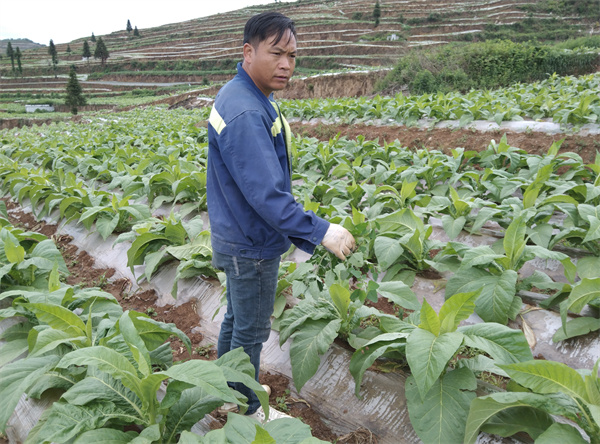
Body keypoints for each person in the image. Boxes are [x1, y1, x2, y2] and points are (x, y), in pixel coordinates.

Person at [206, 11, 356, 420]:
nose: (287, 64)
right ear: (248, 52)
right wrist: (321, 231)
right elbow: (268, 198)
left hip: (237, 234)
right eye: (276, 53)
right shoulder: (247, 112)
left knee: (237, 320)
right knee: (251, 331)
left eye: (292, 55)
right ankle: (248, 410)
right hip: (251, 242)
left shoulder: (243, 95)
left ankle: (228, 390)